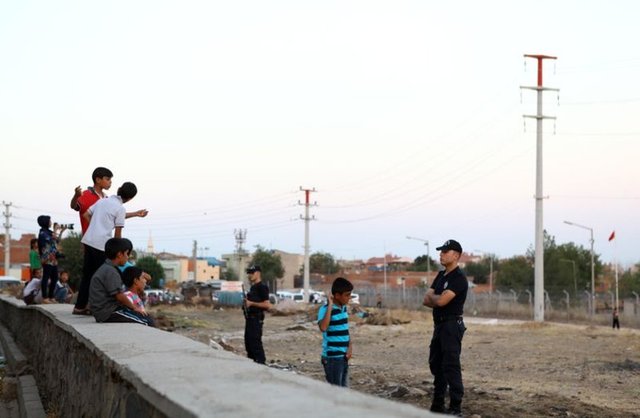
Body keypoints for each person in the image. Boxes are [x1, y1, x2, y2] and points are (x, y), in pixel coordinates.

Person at [73, 182, 148, 315]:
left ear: (119, 190)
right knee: (104, 276)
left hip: (89, 240)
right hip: (101, 245)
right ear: (130, 198)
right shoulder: (120, 209)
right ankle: (97, 306)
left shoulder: (103, 201)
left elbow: (86, 215)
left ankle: (79, 306)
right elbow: (118, 234)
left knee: (88, 276)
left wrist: (96, 227)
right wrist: (119, 250)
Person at [423, 239, 468, 416]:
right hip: (439, 325)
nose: (441, 254)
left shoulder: (459, 278)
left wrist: (437, 298)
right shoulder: (441, 275)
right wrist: (438, 298)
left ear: (456, 255)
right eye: (441, 251)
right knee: (436, 363)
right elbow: (426, 299)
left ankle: (456, 407)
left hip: (451, 325)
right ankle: (438, 403)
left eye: (445, 252)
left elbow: (441, 301)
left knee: (451, 365)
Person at [88, 238, 153, 326]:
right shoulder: (110, 271)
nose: (128, 257)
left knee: (146, 317)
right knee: (147, 322)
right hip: (108, 313)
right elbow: (119, 296)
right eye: (127, 253)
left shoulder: (108, 268)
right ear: (119, 254)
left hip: (108, 311)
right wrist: (134, 307)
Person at [317, 277, 354, 387]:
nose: (349, 297)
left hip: (343, 357)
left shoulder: (344, 308)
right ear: (337, 295)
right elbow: (323, 327)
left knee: (344, 390)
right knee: (335, 391)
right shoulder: (325, 309)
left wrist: (350, 347)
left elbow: (345, 329)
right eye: (347, 295)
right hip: (332, 358)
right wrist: (330, 305)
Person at [70, 166, 113, 235]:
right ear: (98, 180)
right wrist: (76, 196)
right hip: (89, 238)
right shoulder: (85, 194)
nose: (110, 182)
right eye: (107, 179)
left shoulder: (106, 198)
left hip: (105, 238)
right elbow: (73, 206)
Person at [243, 265, 271, 364]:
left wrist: (251, 303)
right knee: (248, 344)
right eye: (249, 273)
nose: (250, 275)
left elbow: (267, 305)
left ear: (258, 273)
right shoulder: (253, 288)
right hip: (249, 319)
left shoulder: (262, 287)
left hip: (256, 319)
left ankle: (261, 364)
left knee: (255, 344)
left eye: (252, 273)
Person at [37, 215, 66, 304]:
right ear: (45, 222)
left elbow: (57, 242)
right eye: (49, 221)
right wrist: (55, 231)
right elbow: (50, 242)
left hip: (53, 259)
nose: (51, 222)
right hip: (47, 259)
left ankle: (51, 297)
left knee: (55, 278)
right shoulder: (43, 233)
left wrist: (61, 232)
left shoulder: (49, 232)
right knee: (46, 278)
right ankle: (45, 297)